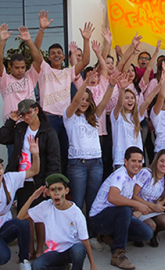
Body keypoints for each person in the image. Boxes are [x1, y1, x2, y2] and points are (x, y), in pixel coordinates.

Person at [0, 99, 60, 258]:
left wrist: (49, 184)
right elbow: (3, 138)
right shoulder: (19, 128)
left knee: (40, 216)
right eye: (23, 114)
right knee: (25, 216)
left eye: (29, 113)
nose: (26, 117)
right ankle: (28, 249)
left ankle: (40, 248)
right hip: (21, 178)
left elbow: (54, 159)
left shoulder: (48, 132)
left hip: (40, 180)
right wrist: (10, 121)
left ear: (36, 110)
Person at [34, 12, 93, 174]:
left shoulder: (68, 72)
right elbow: (35, 50)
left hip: (66, 119)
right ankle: (48, 186)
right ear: (49, 56)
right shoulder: (44, 69)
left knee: (65, 153)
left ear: (63, 56)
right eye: (52, 53)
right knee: (49, 154)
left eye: (59, 53)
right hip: (48, 117)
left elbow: (86, 61)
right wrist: (41, 29)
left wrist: (86, 40)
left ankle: (64, 187)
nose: (56, 55)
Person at [88, 147, 154, 270]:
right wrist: (137, 204)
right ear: (125, 161)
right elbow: (112, 197)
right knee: (125, 209)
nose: (137, 165)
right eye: (133, 161)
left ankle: (110, 237)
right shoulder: (120, 175)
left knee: (147, 233)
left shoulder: (133, 177)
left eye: (140, 161)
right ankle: (117, 254)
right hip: (98, 219)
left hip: (115, 216)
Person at [64, 68, 117, 219]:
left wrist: (111, 86)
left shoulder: (94, 116)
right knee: (78, 202)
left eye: (87, 100)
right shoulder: (69, 116)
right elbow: (75, 101)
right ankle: (76, 235)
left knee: (93, 202)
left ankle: (92, 234)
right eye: (82, 99)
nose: (84, 102)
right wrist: (85, 82)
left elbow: (105, 102)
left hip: (96, 163)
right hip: (77, 164)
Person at [17, 174, 98, 270]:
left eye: (60, 189)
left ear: (66, 191)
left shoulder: (76, 213)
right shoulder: (46, 207)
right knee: (37, 266)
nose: (56, 193)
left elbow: (85, 240)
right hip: (54, 252)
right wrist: (33, 197)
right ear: (48, 193)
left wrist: (92, 264)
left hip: (71, 250)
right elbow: (20, 216)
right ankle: (63, 267)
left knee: (78, 250)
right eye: (52, 190)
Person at [0, 152, 39, 269]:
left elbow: (34, 171)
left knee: (23, 223)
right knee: (3, 257)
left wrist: (35, 154)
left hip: (4, 226)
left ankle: (24, 261)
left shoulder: (9, 178)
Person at [0, 23, 42, 124]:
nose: (20, 70)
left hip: (31, 123)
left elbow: (37, 60)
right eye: (17, 68)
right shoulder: (5, 80)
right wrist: (2, 41)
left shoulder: (30, 77)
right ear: (10, 68)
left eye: (22, 67)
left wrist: (29, 41)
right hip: (13, 124)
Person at [132, 150, 165, 248]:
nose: (164, 164)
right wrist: (150, 207)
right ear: (156, 161)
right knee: (151, 225)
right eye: (162, 161)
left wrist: (147, 210)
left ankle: (154, 235)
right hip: (137, 206)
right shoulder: (146, 173)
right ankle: (137, 237)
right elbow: (134, 195)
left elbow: (159, 205)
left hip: (150, 210)